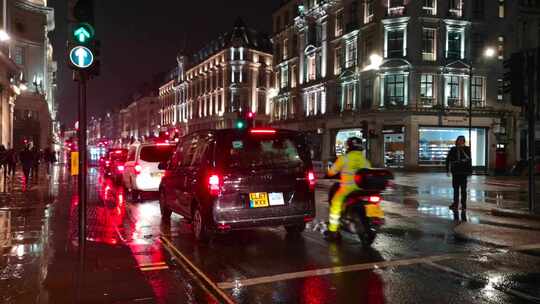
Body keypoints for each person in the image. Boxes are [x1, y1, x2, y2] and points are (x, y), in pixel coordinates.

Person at [325, 137, 372, 241]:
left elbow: (331, 172)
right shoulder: (365, 161)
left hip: (347, 189)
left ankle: (333, 232)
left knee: (335, 204)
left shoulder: (344, 158)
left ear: (349, 146)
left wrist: (328, 173)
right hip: (363, 190)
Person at [445, 135, 472, 211]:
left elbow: (469, 159)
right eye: (459, 140)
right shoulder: (453, 149)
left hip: (463, 172)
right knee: (456, 189)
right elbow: (448, 160)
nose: (460, 142)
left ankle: (464, 206)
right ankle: (455, 204)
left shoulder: (467, 149)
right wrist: (447, 170)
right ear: (456, 141)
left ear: (464, 141)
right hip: (456, 172)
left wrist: (470, 171)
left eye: (462, 140)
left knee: (463, 190)